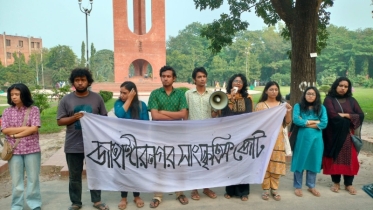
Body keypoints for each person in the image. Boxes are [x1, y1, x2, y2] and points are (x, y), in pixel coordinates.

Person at [57, 68, 110, 210]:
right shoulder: (66, 100)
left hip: (94, 144)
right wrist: (74, 117)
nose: (80, 83)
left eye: (83, 80)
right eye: (77, 80)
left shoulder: (96, 98)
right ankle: (76, 202)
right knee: (74, 176)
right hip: (73, 144)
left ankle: (97, 201)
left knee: (95, 172)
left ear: (88, 82)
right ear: (73, 82)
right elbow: (60, 121)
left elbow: (104, 119)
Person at [147, 65, 188, 208]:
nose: (166, 78)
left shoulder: (180, 94)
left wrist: (163, 112)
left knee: (178, 164)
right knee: (159, 164)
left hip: (177, 135)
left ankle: (179, 193)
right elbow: (154, 116)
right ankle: (157, 195)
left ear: (174, 78)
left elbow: (183, 114)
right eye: (163, 76)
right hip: (159, 135)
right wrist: (174, 118)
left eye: (168, 76)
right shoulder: (155, 94)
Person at [1, 83, 41, 210]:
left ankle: (35, 204)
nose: (14, 97)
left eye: (17, 94)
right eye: (12, 94)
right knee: (16, 181)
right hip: (14, 151)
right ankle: (17, 205)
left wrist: (14, 135)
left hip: (32, 149)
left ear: (24, 94)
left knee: (33, 179)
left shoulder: (34, 110)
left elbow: (34, 129)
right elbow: (5, 130)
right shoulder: (7, 111)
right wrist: (25, 129)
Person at [322, 77, 364, 195]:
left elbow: (360, 115)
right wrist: (350, 118)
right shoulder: (329, 99)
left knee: (350, 159)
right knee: (334, 158)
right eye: (341, 85)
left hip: (348, 136)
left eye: (346, 86)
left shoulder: (351, 100)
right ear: (336, 86)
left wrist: (346, 115)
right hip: (333, 135)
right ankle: (336, 182)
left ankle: (348, 184)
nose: (343, 88)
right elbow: (332, 115)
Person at [185, 67, 218, 201]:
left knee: (208, 160)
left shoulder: (211, 94)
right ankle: (194, 189)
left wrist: (218, 108)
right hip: (192, 132)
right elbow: (185, 112)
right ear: (194, 79)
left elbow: (214, 113)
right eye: (199, 77)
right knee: (194, 161)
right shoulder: (188, 94)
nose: (202, 79)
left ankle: (206, 187)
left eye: (204, 76)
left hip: (208, 132)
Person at [255, 81, 292, 201]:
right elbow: (256, 123)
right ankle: (265, 189)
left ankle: (274, 189)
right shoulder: (260, 105)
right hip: (264, 138)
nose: (274, 92)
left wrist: (288, 111)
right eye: (271, 89)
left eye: (276, 89)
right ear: (266, 91)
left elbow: (287, 122)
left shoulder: (282, 105)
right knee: (265, 163)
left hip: (278, 138)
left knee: (276, 163)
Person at [113, 81, 148, 209]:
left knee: (136, 169)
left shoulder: (141, 105)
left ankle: (136, 195)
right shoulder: (118, 104)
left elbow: (145, 124)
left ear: (133, 92)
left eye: (125, 93)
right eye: (121, 92)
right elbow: (120, 114)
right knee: (124, 169)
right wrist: (129, 100)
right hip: (122, 142)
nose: (121, 95)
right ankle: (123, 197)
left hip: (138, 142)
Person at [220, 73, 253, 201]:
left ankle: (243, 191)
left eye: (240, 81)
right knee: (230, 162)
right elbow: (226, 115)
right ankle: (230, 190)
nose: (237, 83)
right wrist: (231, 99)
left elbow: (248, 115)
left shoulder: (247, 98)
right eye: (235, 81)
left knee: (243, 162)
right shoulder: (224, 97)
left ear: (243, 84)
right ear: (231, 83)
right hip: (229, 134)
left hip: (244, 134)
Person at [291, 87, 328, 197]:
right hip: (302, 139)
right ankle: (298, 186)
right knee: (300, 160)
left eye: (313, 94)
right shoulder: (298, 106)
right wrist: (314, 122)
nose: (310, 96)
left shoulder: (321, 108)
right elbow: (296, 120)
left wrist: (305, 122)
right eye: (308, 93)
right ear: (304, 95)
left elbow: (324, 123)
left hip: (316, 139)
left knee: (314, 160)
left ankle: (311, 186)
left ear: (316, 96)